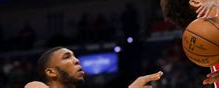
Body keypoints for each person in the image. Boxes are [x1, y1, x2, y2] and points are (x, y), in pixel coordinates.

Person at [25, 46, 163, 88]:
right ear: (51, 72)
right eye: (67, 57)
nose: (76, 60)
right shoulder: (34, 86)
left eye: (74, 56)